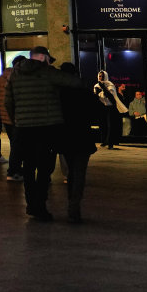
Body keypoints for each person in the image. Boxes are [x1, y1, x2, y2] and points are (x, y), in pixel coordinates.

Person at [3, 45, 80, 222]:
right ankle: (41, 205)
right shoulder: (48, 72)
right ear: (44, 58)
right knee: (45, 169)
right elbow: (73, 82)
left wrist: (17, 119)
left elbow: (8, 101)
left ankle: (31, 204)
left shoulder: (15, 73)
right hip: (47, 128)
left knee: (28, 168)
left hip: (24, 129)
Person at [56, 62, 97, 224]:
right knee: (79, 172)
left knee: (72, 171)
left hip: (65, 136)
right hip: (82, 135)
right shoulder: (83, 90)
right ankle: (74, 205)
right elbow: (94, 111)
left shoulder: (58, 93)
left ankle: (71, 202)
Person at [2, 55, 25, 182]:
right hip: (20, 119)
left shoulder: (1, 79)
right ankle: (15, 170)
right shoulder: (18, 78)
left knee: (15, 146)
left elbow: (2, 100)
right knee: (19, 146)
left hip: (9, 118)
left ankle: (14, 170)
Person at [92, 70, 124, 149]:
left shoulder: (110, 85)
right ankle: (104, 141)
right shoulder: (96, 85)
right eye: (99, 76)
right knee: (103, 124)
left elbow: (111, 97)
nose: (101, 78)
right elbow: (96, 97)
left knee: (110, 125)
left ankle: (110, 143)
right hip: (102, 107)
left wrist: (103, 88)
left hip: (110, 107)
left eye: (102, 76)